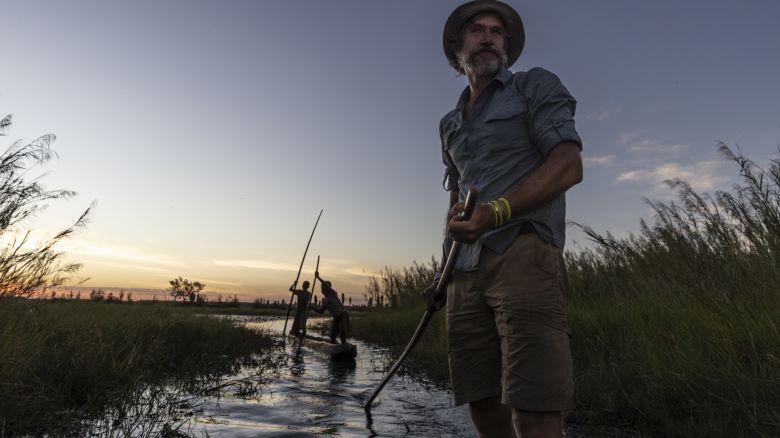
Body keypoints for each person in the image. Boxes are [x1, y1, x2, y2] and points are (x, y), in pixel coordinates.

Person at [424, 2, 584, 437]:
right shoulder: (449, 124)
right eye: (477, 30)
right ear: (458, 47)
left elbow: (568, 164)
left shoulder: (534, 87)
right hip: (464, 270)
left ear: (507, 47)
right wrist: (443, 273)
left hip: (524, 253)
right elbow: (456, 201)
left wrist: (496, 213)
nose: (489, 37)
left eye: (497, 32)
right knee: (481, 398)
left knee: (534, 402)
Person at [313, 271, 351, 344]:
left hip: (343, 315)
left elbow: (326, 285)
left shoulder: (333, 293)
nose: (323, 289)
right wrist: (311, 307)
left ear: (329, 288)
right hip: (336, 317)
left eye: (324, 287)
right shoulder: (324, 300)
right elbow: (321, 311)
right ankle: (335, 348)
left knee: (342, 334)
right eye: (322, 288)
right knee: (332, 337)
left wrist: (318, 277)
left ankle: (344, 346)